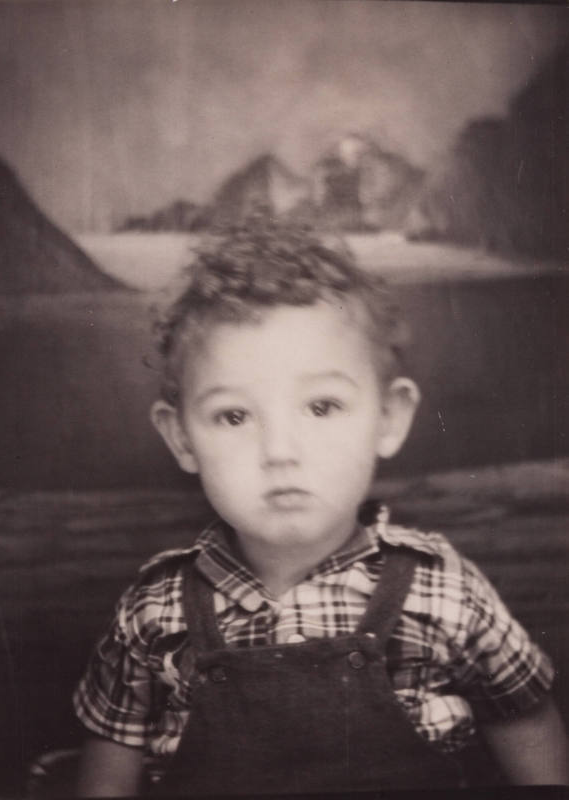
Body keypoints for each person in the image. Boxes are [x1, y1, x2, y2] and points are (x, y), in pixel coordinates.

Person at [73, 218, 567, 796]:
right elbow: (110, 760)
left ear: (389, 418)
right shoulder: (155, 611)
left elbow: (526, 720)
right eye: (234, 416)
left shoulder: (444, 593)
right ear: (181, 437)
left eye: (323, 406)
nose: (280, 452)